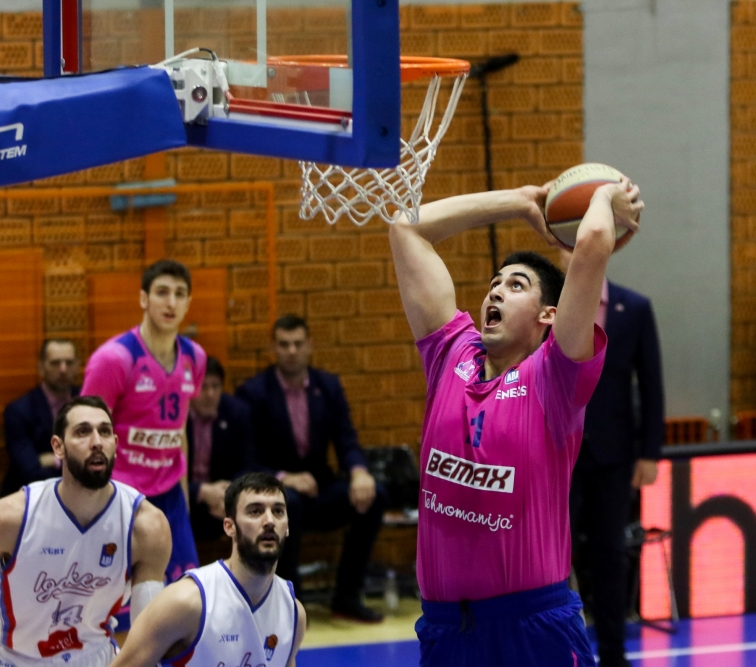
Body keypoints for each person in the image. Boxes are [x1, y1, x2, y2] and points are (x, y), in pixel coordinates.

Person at [388, 178, 643, 666]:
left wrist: (602, 197)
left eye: (516, 285)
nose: (496, 292)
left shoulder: (555, 376)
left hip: (532, 627)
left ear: (549, 315)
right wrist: (519, 203)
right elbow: (406, 228)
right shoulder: (450, 353)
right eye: (494, 284)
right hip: (446, 629)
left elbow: (592, 242)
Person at [235, 314, 388, 622]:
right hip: (276, 492)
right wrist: (284, 478)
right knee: (287, 503)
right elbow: (246, 461)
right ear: (273, 348)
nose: (291, 351)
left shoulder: (327, 386)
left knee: (376, 495)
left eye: (297, 344)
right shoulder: (254, 393)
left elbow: (346, 439)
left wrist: (359, 472)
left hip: (320, 489)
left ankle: (347, 597)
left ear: (309, 346)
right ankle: (292, 603)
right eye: (284, 344)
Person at [0, 396, 171, 666]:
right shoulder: (11, 518)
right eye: (83, 432)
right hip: (17, 660)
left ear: (115, 444)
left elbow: (149, 637)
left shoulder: (146, 525)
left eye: (105, 431)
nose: (97, 441)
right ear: (58, 447)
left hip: (96, 658)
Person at [562, 250, 665, 667]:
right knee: (555, 556)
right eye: (567, 246)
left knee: (610, 553)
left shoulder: (633, 307)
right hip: (559, 453)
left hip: (614, 453)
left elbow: (651, 382)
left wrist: (650, 452)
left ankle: (614, 653)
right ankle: (559, 650)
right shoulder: (550, 306)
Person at [81, 259, 207, 584]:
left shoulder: (195, 357)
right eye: (162, 292)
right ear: (143, 299)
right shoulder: (114, 359)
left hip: (170, 495)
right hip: (119, 493)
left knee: (185, 595)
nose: (171, 302)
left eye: (180, 294)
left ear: (189, 302)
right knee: (121, 601)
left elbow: (179, 430)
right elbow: (81, 434)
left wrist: (184, 498)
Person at [109, 472, 306, 667]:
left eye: (278, 511)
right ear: (229, 527)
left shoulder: (294, 613)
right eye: (255, 511)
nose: (270, 521)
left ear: (287, 526)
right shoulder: (185, 602)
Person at [187, 356, 255, 543]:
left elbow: (248, 464)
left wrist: (230, 494)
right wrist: (201, 491)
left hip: (224, 500)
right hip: (187, 500)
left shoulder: (237, 413)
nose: (210, 394)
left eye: (215, 386)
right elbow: (164, 473)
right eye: (203, 387)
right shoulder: (175, 417)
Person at [2, 338, 80, 496]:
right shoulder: (18, 411)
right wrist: (78, 464)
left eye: (69, 362)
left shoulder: (87, 400)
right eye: (55, 363)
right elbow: (30, 471)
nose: (63, 369)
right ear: (41, 368)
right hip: (29, 497)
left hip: (81, 498)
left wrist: (54, 459)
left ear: (77, 366)